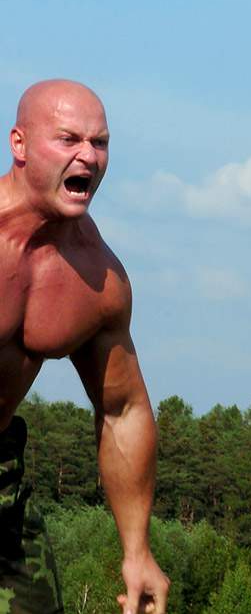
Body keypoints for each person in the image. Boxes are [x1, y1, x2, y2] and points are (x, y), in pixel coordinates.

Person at [0, 80, 170, 614]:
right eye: (69, 139)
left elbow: (123, 410)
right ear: (20, 144)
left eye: (100, 143)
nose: (89, 157)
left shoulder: (98, 280)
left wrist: (137, 551)